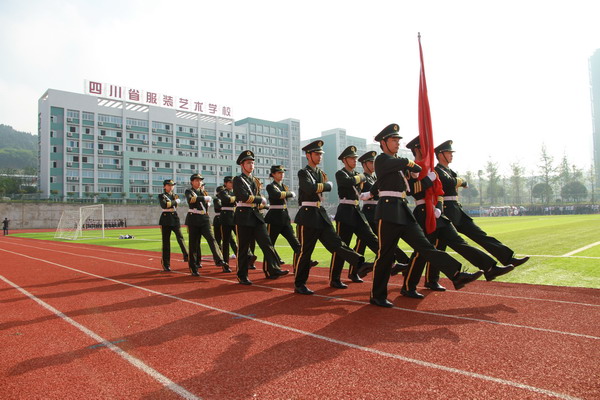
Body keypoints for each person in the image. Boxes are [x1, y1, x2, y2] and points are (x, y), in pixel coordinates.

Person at [367, 124, 482, 307]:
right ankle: (377, 295)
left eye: (398, 140)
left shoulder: (396, 163)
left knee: (425, 246)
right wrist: (410, 165)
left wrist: (423, 175)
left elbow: (404, 183)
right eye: (393, 140)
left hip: (403, 210)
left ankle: (456, 274)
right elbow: (395, 168)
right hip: (387, 211)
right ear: (383, 142)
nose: (398, 143)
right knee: (385, 255)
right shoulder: (381, 159)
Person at [401, 136, 514, 298]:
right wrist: (427, 180)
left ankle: (489, 267)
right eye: (425, 147)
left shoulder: (431, 168)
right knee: (422, 252)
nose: (428, 151)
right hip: (423, 212)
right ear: (418, 149)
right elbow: (414, 190)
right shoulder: (412, 168)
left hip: (437, 212)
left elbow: (440, 192)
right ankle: (408, 285)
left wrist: (438, 208)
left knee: (459, 242)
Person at [293, 140, 374, 295]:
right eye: (316, 154)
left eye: (320, 154)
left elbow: (316, 188)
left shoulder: (319, 173)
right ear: (308, 155)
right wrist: (327, 185)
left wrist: (323, 185)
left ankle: (359, 263)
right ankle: (299, 283)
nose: (319, 156)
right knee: (306, 252)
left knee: (337, 244)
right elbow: (309, 188)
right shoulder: (304, 172)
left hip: (320, 214)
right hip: (307, 215)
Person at [434, 140, 530, 269]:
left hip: (456, 209)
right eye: (449, 153)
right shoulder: (438, 171)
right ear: (440, 155)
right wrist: (460, 181)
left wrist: (459, 181)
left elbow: (458, 181)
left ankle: (507, 257)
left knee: (480, 235)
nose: (452, 155)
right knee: (444, 245)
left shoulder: (449, 171)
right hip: (447, 210)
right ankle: (433, 279)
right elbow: (449, 183)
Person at [329, 146, 409, 289]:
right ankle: (334, 278)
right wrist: (361, 177)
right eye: (352, 158)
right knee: (343, 247)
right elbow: (347, 183)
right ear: (344, 160)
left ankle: (392, 263)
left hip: (356, 211)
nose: (354, 161)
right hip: (345, 212)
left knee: (372, 239)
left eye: (355, 158)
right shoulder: (340, 173)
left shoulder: (361, 175)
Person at [233, 150, 289, 285]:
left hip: (256, 215)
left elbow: (254, 199)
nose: (251, 165)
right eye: (248, 163)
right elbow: (243, 197)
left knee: (266, 243)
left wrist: (261, 204)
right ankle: (242, 275)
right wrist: (261, 199)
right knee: (244, 248)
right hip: (243, 215)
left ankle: (274, 269)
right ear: (242, 165)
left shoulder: (255, 180)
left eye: (252, 163)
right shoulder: (238, 180)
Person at [265, 165, 319, 271]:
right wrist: (290, 193)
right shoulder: (270, 186)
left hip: (284, 218)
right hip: (274, 218)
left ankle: (305, 262)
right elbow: (277, 195)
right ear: (273, 175)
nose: (282, 174)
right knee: (269, 245)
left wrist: (288, 194)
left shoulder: (284, 186)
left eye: (282, 173)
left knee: (295, 242)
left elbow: (284, 196)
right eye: (279, 173)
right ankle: (270, 270)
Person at [184, 173, 230, 276]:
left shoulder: (204, 192)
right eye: (196, 180)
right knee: (194, 245)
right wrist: (203, 199)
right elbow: (191, 200)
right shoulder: (189, 191)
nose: (199, 182)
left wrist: (205, 199)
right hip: (193, 219)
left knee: (211, 238)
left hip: (204, 219)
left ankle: (219, 259)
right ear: (192, 182)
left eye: (200, 180)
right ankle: (194, 267)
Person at [158, 179, 189, 272]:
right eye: (169, 185)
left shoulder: (175, 195)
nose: (171, 186)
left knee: (180, 238)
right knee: (166, 243)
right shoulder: (161, 196)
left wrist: (173, 203)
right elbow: (164, 205)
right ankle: (166, 264)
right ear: (164, 186)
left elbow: (171, 205)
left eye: (172, 185)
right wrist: (175, 202)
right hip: (165, 218)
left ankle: (187, 256)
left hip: (174, 217)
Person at [213, 185, 237, 260]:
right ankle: (219, 255)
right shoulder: (217, 199)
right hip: (219, 220)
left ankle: (236, 253)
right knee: (218, 239)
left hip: (228, 218)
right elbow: (219, 206)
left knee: (231, 239)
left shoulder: (228, 196)